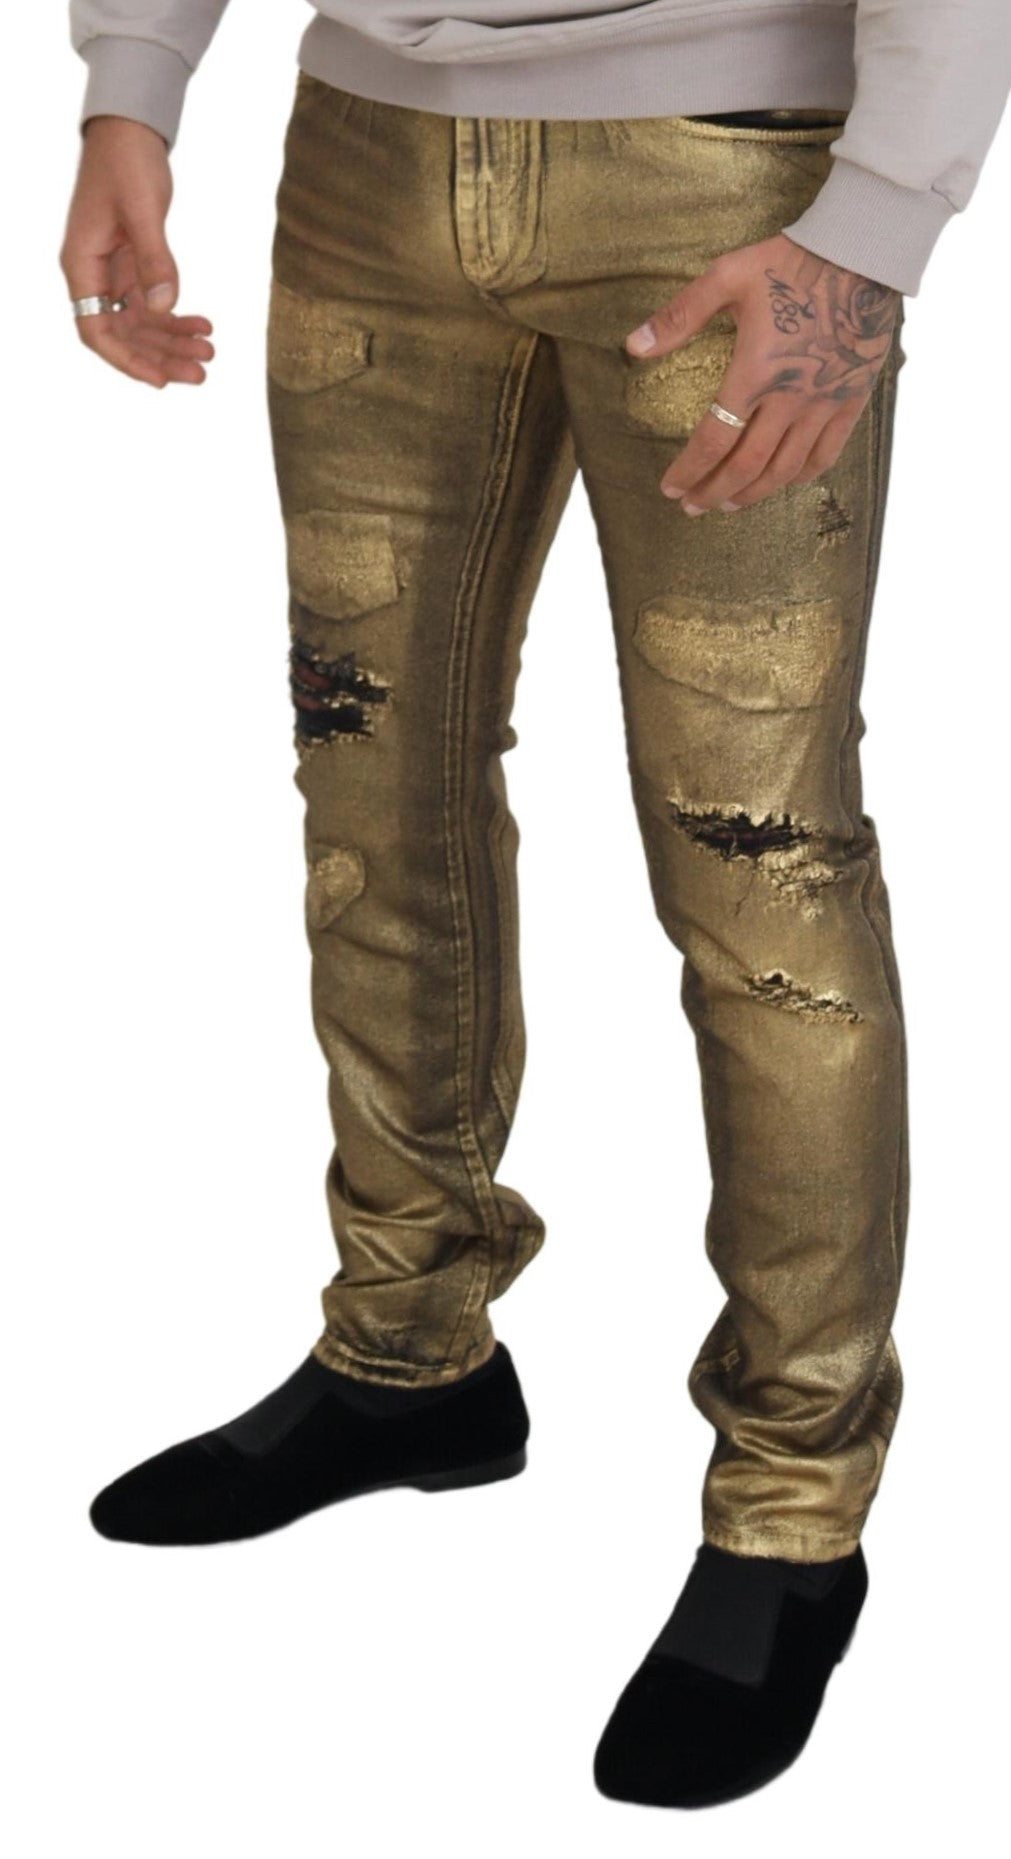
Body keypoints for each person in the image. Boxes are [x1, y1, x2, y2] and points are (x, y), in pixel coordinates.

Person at [61, 0, 1011, 1813]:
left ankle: (793, 1507)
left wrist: (875, 225)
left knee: (758, 862)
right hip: (367, 154)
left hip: (726, 165)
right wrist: (135, 85)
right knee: (370, 780)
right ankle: (408, 1351)